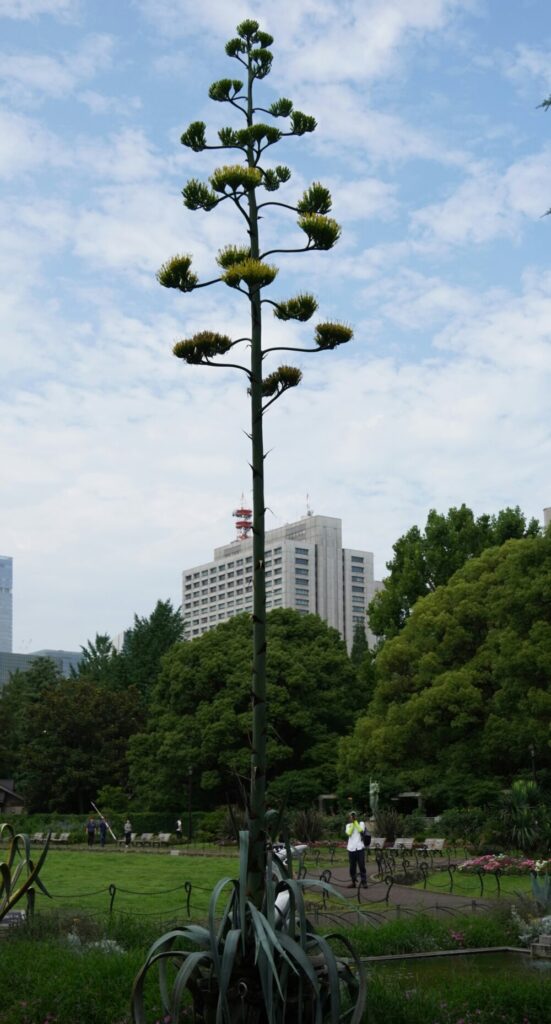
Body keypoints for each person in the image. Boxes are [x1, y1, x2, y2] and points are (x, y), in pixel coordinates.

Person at [345, 810, 367, 888]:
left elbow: (361, 830)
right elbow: (349, 833)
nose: (352, 817)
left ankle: (364, 882)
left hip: (360, 848)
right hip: (351, 849)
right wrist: (353, 824)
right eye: (351, 816)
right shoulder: (348, 825)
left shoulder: (361, 823)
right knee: (352, 867)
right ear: (349, 817)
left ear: (356, 816)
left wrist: (355, 822)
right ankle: (353, 882)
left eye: (354, 816)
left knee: (362, 865)